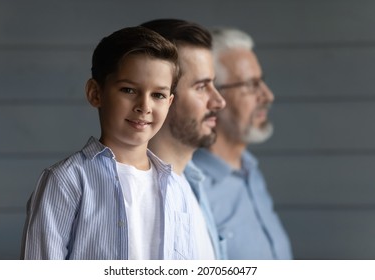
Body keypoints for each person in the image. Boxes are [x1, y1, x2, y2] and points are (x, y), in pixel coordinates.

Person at [20, 26, 200, 260]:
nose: (144, 106)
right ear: (96, 93)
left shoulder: (176, 188)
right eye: (128, 90)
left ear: (169, 102)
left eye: (158, 95)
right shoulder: (66, 181)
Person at [193, 27, 293, 259]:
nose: (267, 96)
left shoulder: (251, 171)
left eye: (262, 81)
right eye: (250, 85)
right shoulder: (192, 189)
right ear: (213, 97)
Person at [141, 19, 227, 259]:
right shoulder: (130, 196)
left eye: (214, 84)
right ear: (161, 96)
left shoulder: (193, 182)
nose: (219, 101)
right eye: (201, 87)